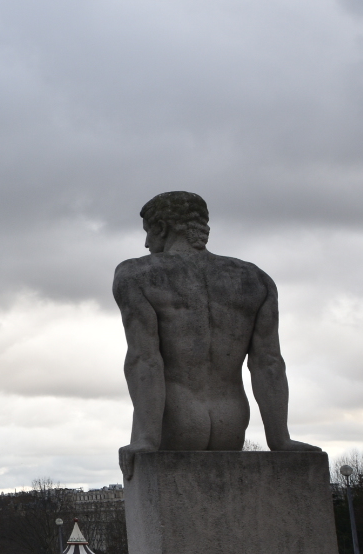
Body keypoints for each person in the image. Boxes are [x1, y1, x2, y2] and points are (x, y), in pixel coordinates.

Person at [114, 192, 319, 472]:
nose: (147, 243)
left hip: (172, 423)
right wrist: (280, 440)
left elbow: (144, 359)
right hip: (232, 424)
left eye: (148, 232)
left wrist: (147, 439)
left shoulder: (137, 274)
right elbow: (268, 363)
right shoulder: (255, 278)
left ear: (161, 227)